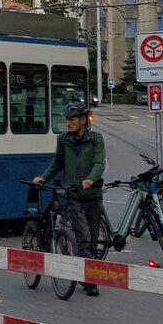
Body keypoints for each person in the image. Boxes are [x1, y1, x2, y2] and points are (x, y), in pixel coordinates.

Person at [33, 101, 106, 295]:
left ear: (83, 120)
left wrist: (91, 179)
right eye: (67, 119)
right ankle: (89, 281)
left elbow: (99, 163)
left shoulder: (96, 139)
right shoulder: (63, 139)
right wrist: (44, 177)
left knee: (92, 240)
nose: (68, 123)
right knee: (84, 239)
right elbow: (57, 163)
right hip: (74, 196)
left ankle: (86, 273)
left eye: (72, 119)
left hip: (93, 195)